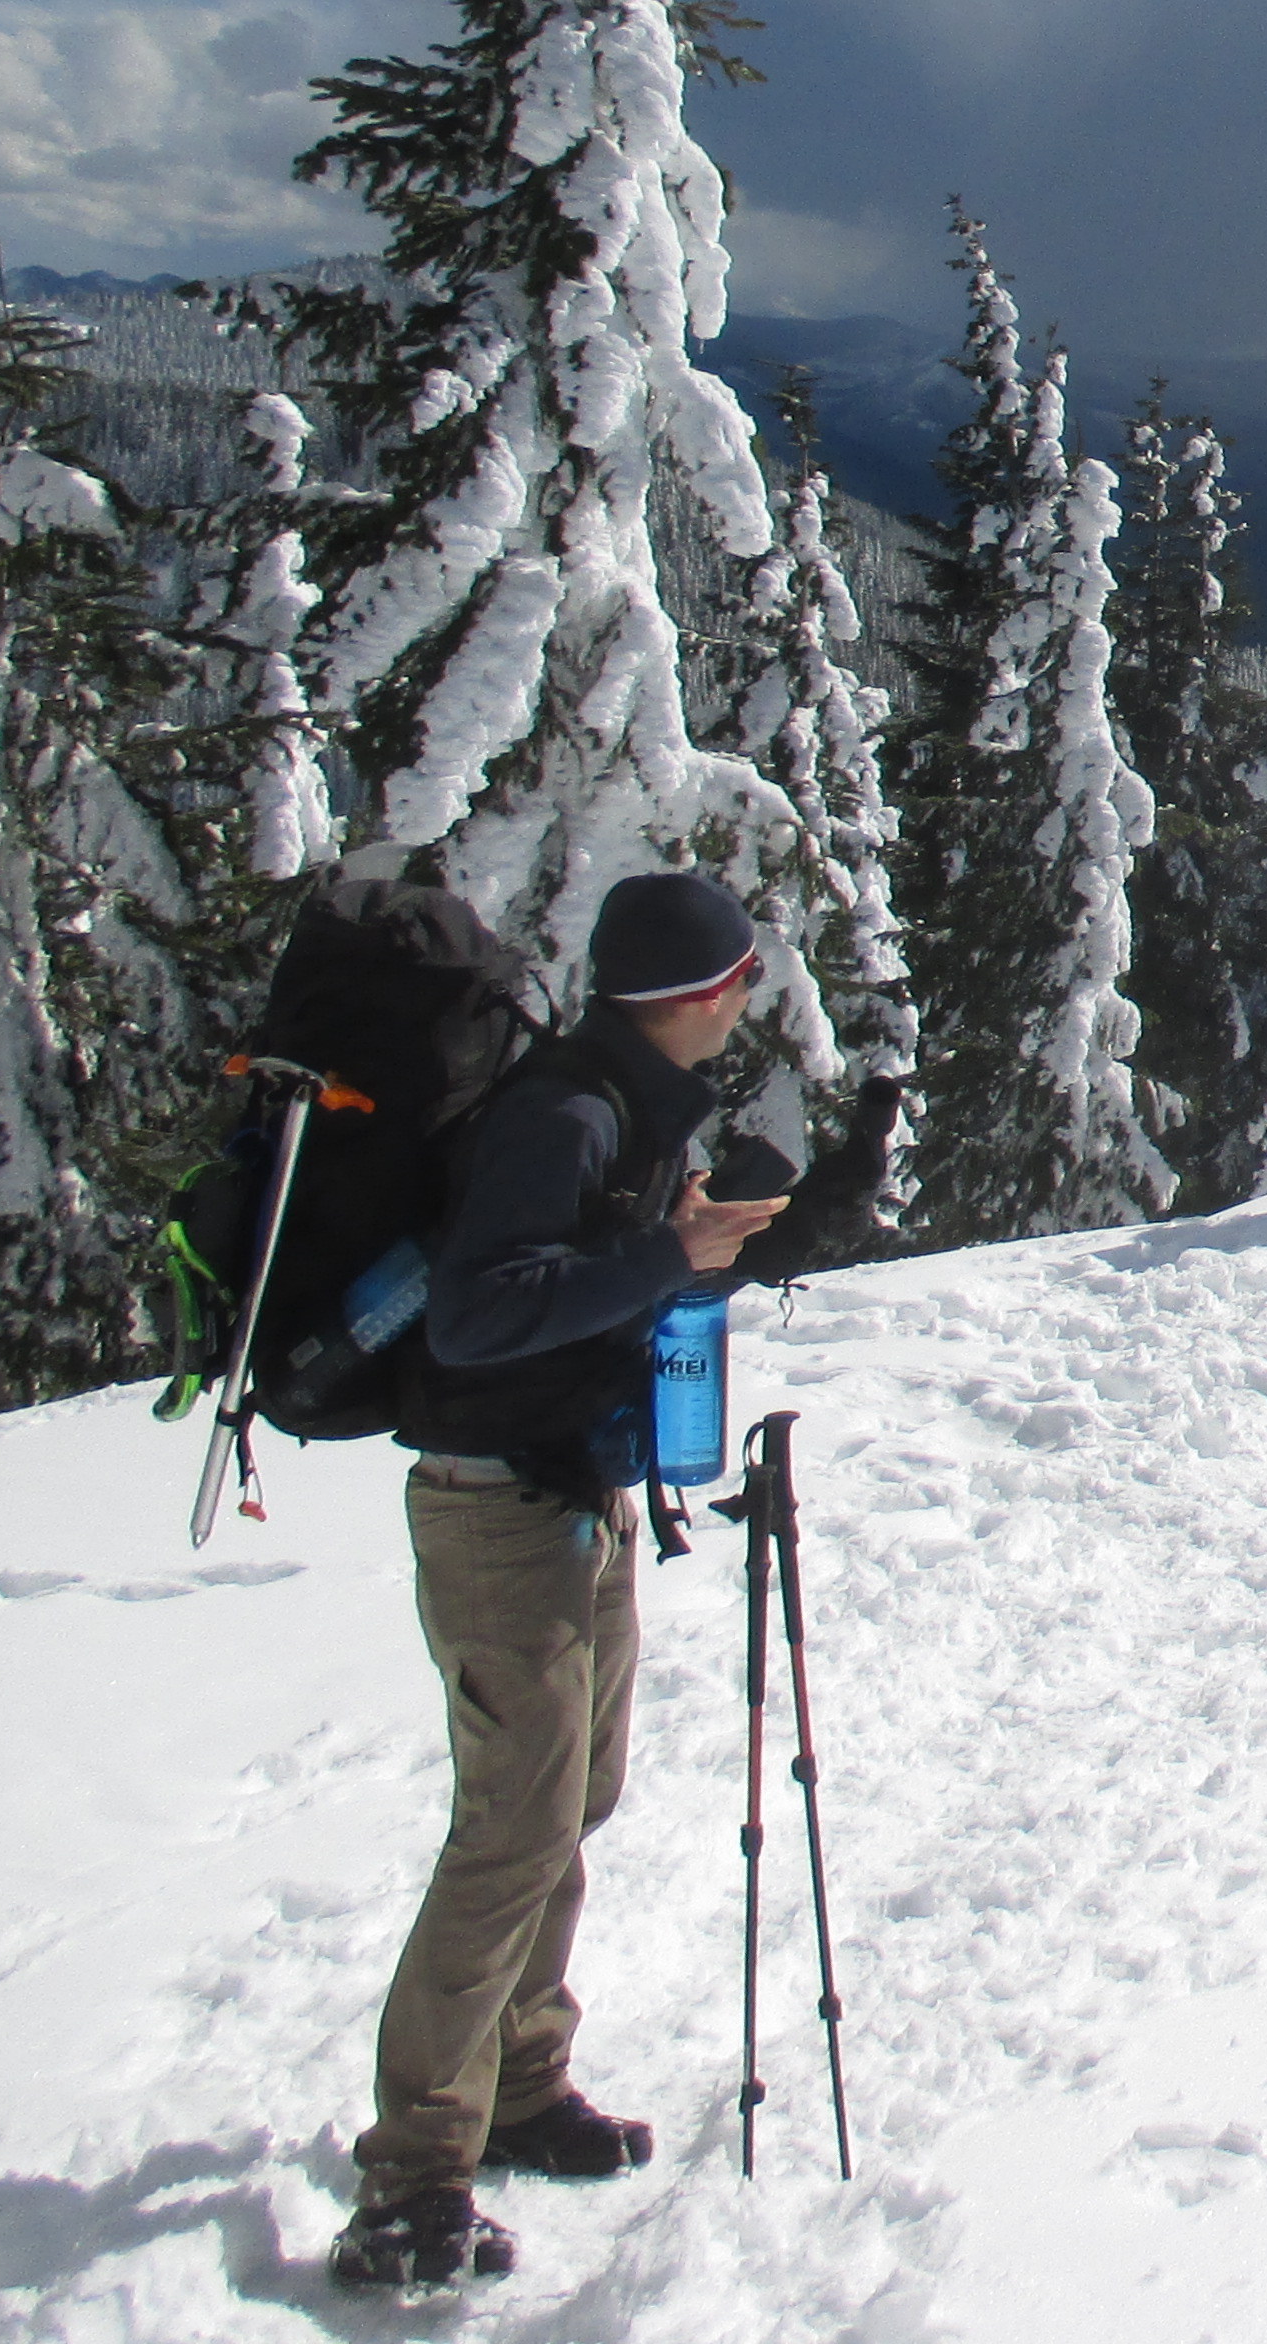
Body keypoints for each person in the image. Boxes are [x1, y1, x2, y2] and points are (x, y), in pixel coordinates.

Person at [331, 874, 810, 2292]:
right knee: (508, 1832)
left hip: (569, 1496)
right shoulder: (569, 1112)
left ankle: (522, 2085)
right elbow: (482, 1313)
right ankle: (411, 2179)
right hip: (496, 1509)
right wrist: (669, 1251)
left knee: (568, 1805)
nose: (745, 998)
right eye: (736, 978)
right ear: (695, 994)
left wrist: (688, 1239)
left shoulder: (623, 1104)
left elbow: (578, 1275)